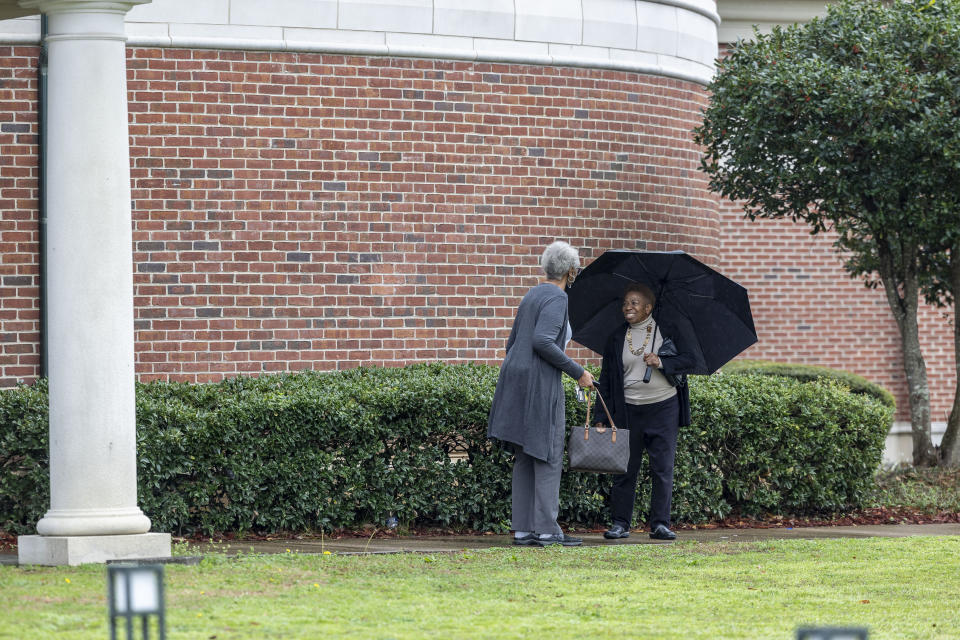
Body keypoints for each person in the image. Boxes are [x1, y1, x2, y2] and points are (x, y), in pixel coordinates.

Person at [487, 241, 595, 547]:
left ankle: (523, 530)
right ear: (570, 271)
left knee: (525, 454)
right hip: (539, 383)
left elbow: (512, 343)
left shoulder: (532, 294)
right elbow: (543, 341)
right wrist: (579, 372)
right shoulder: (557, 298)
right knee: (547, 454)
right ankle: (548, 531)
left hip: (515, 379)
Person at [593, 282, 696, 541]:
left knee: (662, 468)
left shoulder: (668, 331)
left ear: (649, 307)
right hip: (628, 410)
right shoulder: (616, 337)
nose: (628, 307)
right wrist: (601, 417)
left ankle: (660, 524)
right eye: (626, 303)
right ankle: (620, 523)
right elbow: (606, 379)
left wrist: (661, 361)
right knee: (625, 468)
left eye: (635, 302)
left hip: (664, 408)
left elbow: (689, 359)